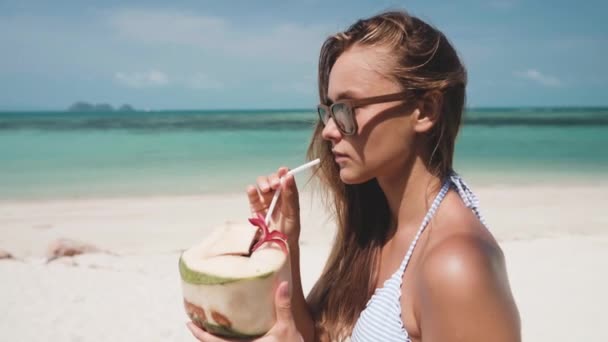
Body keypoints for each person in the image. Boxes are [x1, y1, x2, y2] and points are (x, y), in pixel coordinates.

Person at [188, 10, 521, 342]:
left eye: (349, 108)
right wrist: (285, 244)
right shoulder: (374, 232)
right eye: (329, 110)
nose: (330, 130)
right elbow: (317, 335)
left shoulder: (456, 266)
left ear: (426, 110)